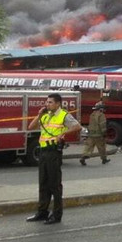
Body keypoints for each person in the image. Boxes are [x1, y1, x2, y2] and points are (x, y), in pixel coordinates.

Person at [26, 93, 82, 225]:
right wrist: (39, 114)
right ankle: (42, 212)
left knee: (54, 185)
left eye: (50, 102)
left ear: (58, 103)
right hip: (43, 152)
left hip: (53, 153)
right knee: (43, 184)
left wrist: (63, 133)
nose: (47, 104)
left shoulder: (63, 115)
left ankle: (56, 215)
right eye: (47, 102)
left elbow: (77, 126)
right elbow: (31, 127)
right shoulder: (45, 115)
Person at [79, 102, 109, 166]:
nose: (103, 110)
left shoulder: (92, 114)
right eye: (103, 108)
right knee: (102, 147)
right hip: (99, 135)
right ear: (101, 109)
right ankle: (104, 159)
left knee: (88, 147)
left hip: (91, 134)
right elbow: (102, 125)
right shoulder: (101, 115)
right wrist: (104, 133)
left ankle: (83, 157)